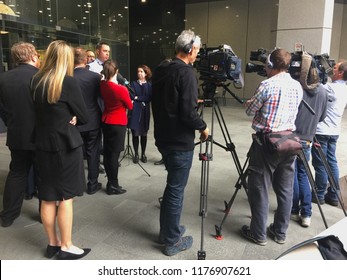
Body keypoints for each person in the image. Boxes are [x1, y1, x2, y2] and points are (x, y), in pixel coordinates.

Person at [31, 40, 90, 260]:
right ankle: (66, 245)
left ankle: (52, 244)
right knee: (66, 197)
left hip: (43, 144)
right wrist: (73, 116)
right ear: (66, 59)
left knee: (47, 197)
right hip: (66, 145)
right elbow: (84, 116)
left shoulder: (36, 81)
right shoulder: (68, 82)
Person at [151, 29, 209, 256]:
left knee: (172, 187)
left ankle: (167, 231)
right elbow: (187, 113)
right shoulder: (187, 74)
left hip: (163, 138)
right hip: (179, 141)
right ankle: (172, 240)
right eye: (197, 50)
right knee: (176, 190)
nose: (197, 54)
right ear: (189, 49)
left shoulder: (162, 68)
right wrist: (203, 127)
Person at [242, 48, 303, 246]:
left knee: (259, 188)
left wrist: (249, 103)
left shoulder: (266, 85)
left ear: (270, 65)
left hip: (267, 143)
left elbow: (251, 110)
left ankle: (258, 234)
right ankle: (279, 233)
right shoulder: (297, 86)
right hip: (290, 142)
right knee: (285, 190)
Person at [0, 42, 40, 227]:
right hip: (41, 135)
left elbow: (2, 109)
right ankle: (45, 215)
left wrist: (11, 123)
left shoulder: (4, 78)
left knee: (17, 173)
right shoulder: (41, 77)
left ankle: (8, 215)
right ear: (32, 56)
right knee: (44, 176)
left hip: (16, 134)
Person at [291, 82, 328, 227]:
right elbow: (322, 116)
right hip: (308, 139)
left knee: (292, 175)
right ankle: (306, 214)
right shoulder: (323, 91)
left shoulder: (297, 87)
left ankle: (294, 210)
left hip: (292, 137)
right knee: (303, 175)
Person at [311, 61, 347, 206]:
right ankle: (333, 194)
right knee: (331, 161)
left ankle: (319, 194)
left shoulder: (330, 88)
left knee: (320, 164)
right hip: (334, 131)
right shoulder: (344, 89)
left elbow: (313, 89)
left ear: (341, 73)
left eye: (335, 68)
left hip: (322, 131)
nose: (332, 69)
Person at [100, 59, 133, 195]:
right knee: (114, 156)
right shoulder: (121, 89)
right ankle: (113, 184)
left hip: (106, 120)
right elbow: (130, 106)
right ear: (117, 72)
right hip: (118, 123)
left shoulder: (102, 84)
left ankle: (111, 182)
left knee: (108, 154)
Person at [74, 47, 103, 195]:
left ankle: (76, 185)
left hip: (75, 123)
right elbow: (100, 99)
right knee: (93, 153)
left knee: (76, 154)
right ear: (86, 60)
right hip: (93, 121)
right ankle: (92, 184)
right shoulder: (95, 77)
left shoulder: (68, 77)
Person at [128, 64, 152, 163]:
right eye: (138, 71)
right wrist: (138, 98)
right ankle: (136, 154)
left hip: (145, 111)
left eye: (141, 71)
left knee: (144, 134)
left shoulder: (149, 85)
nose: (139, 73)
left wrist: (138, 98)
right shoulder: (133, 84)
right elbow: (132, 96)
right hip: (135, 111)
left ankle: (143, 153)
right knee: (135, 133)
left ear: (146, 73)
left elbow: (149, 97)